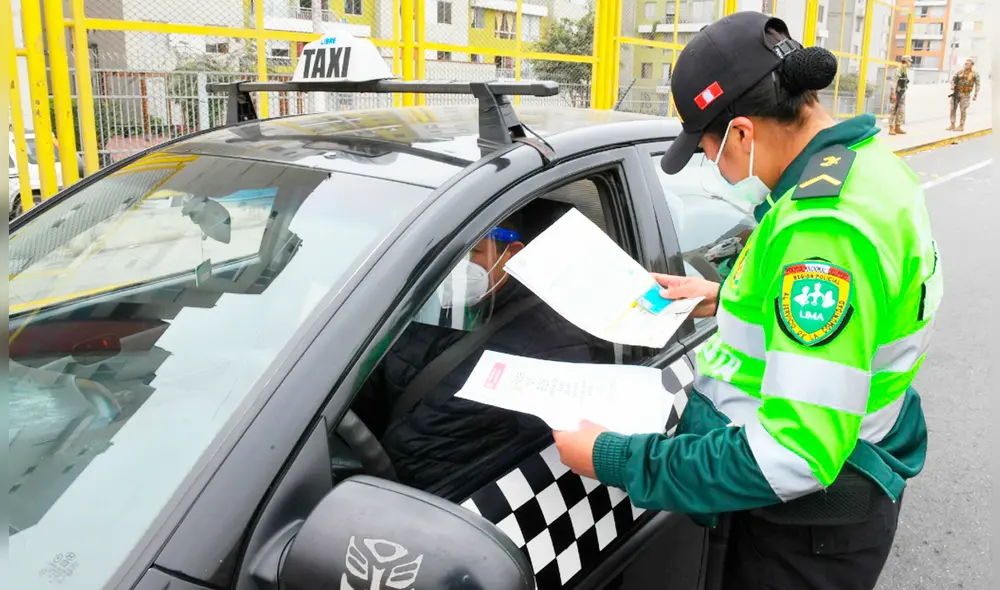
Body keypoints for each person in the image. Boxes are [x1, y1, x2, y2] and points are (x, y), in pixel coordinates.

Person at [553, 12, 937, 590]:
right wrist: (727, 298)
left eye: (708, 149)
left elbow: (794, 454)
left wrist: (616, 458)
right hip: (843, 485)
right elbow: (865, 313)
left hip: (803, 532)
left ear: (741, 133)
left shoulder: (824, 231)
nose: (715, 168)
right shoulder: (869, 169)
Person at [355, 200, 614, 500]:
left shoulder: (552, 340)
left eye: (473, 252)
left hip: (448, 504)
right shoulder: (419, 306)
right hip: (372, 480)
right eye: (447, 253)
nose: (455, 266)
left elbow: (544, 454)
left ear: (510, 255)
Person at [948, 58, 980, 132]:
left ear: (971, 65)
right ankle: (952, 124)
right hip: (956, 93)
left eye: (968, 63)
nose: (966, 64)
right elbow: (953, 79)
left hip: (965, 94)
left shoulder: (975, 74)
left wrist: (975, 94)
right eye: (965, 63)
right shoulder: (960, 72)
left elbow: (977, 84)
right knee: (952, 108)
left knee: (963, 110)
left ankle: (961, 126)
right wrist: (952, 85)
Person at [888, 55, 912, 135]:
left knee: (901, 110)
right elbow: (894, 82)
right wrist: (893, 93)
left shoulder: (904, 70)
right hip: (896, 93)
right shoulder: (898, 70)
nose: (910, 63)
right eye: (909, 61)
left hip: (902, 93)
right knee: (893, 110)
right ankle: (891, 128)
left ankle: (897, 127)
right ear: (906, 61)